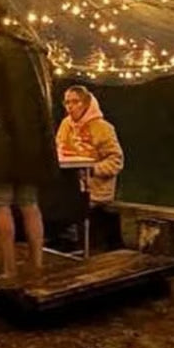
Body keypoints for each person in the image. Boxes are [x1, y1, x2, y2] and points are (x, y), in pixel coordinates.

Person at [0, 0, 59, 280]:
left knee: (1, 202)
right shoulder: (34, 49)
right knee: (30, 204)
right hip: (32, 141)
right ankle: (36, 266)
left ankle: (9, 270)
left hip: (2, 142)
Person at [56, 85, 125, 251]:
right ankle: (65, 245)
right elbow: (58, 148)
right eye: (67, 102)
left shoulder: (103, 128)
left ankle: (81, 247)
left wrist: (91, 169)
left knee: (70, 204)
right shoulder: (65, 124)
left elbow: (116, 161)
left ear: (86, 103)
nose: (70, 106)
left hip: (96, 187)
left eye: (75, 102)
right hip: (70, 184)